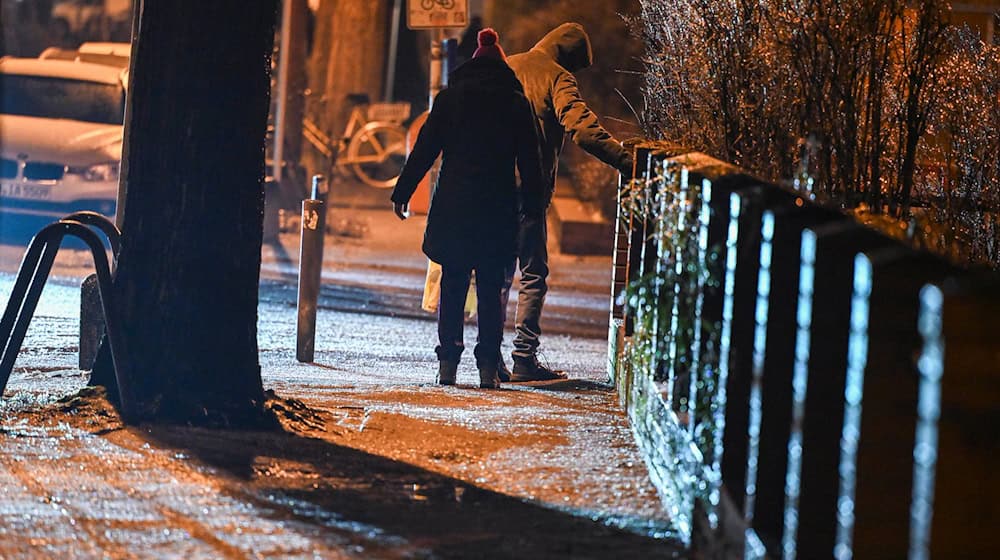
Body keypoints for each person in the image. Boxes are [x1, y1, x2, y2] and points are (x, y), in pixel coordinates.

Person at [391, 28, 544, 389]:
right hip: (497, 206)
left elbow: (425, 149)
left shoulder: (450, 99)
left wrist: (403, 191)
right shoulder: (516, 103)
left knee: (454, 282)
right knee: (491, 287)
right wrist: (534, 207)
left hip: (455, 206)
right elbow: (531, 162)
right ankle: (488, 368)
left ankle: (448, 365)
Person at [503, 22, 634, 382]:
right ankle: (523, 359)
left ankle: (489, 359)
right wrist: (626, 161)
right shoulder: (557, 78)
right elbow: (583, 129)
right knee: (532, 274)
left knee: (496, 272)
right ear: (567, 57)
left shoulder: (507, 65)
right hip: (527, 190)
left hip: (491, 186)